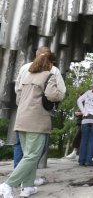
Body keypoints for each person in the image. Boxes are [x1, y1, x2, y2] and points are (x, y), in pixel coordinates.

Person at [0, 49, 65, 198]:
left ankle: (27, 187)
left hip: (21, 119)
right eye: (51, 63)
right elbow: (53, 95)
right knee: (33, 156)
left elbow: (18, 99)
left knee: (28, 155)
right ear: (48, 63)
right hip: (37, 120)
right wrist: (60, 94)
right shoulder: (49, 76)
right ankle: (7, 185)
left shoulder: (26, 76)